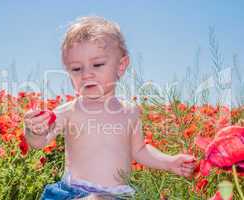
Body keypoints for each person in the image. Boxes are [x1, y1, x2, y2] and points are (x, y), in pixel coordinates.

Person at [24, 16, 196, 200]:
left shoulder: (130, 112)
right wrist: (35, 131)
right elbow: (39, 143)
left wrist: (169, 162)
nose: (86, 74)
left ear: (121, 66)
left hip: (118, 195)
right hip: (74, 193)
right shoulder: (70, 111)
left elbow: (140, 151)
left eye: (97, 65)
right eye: (76, 69)